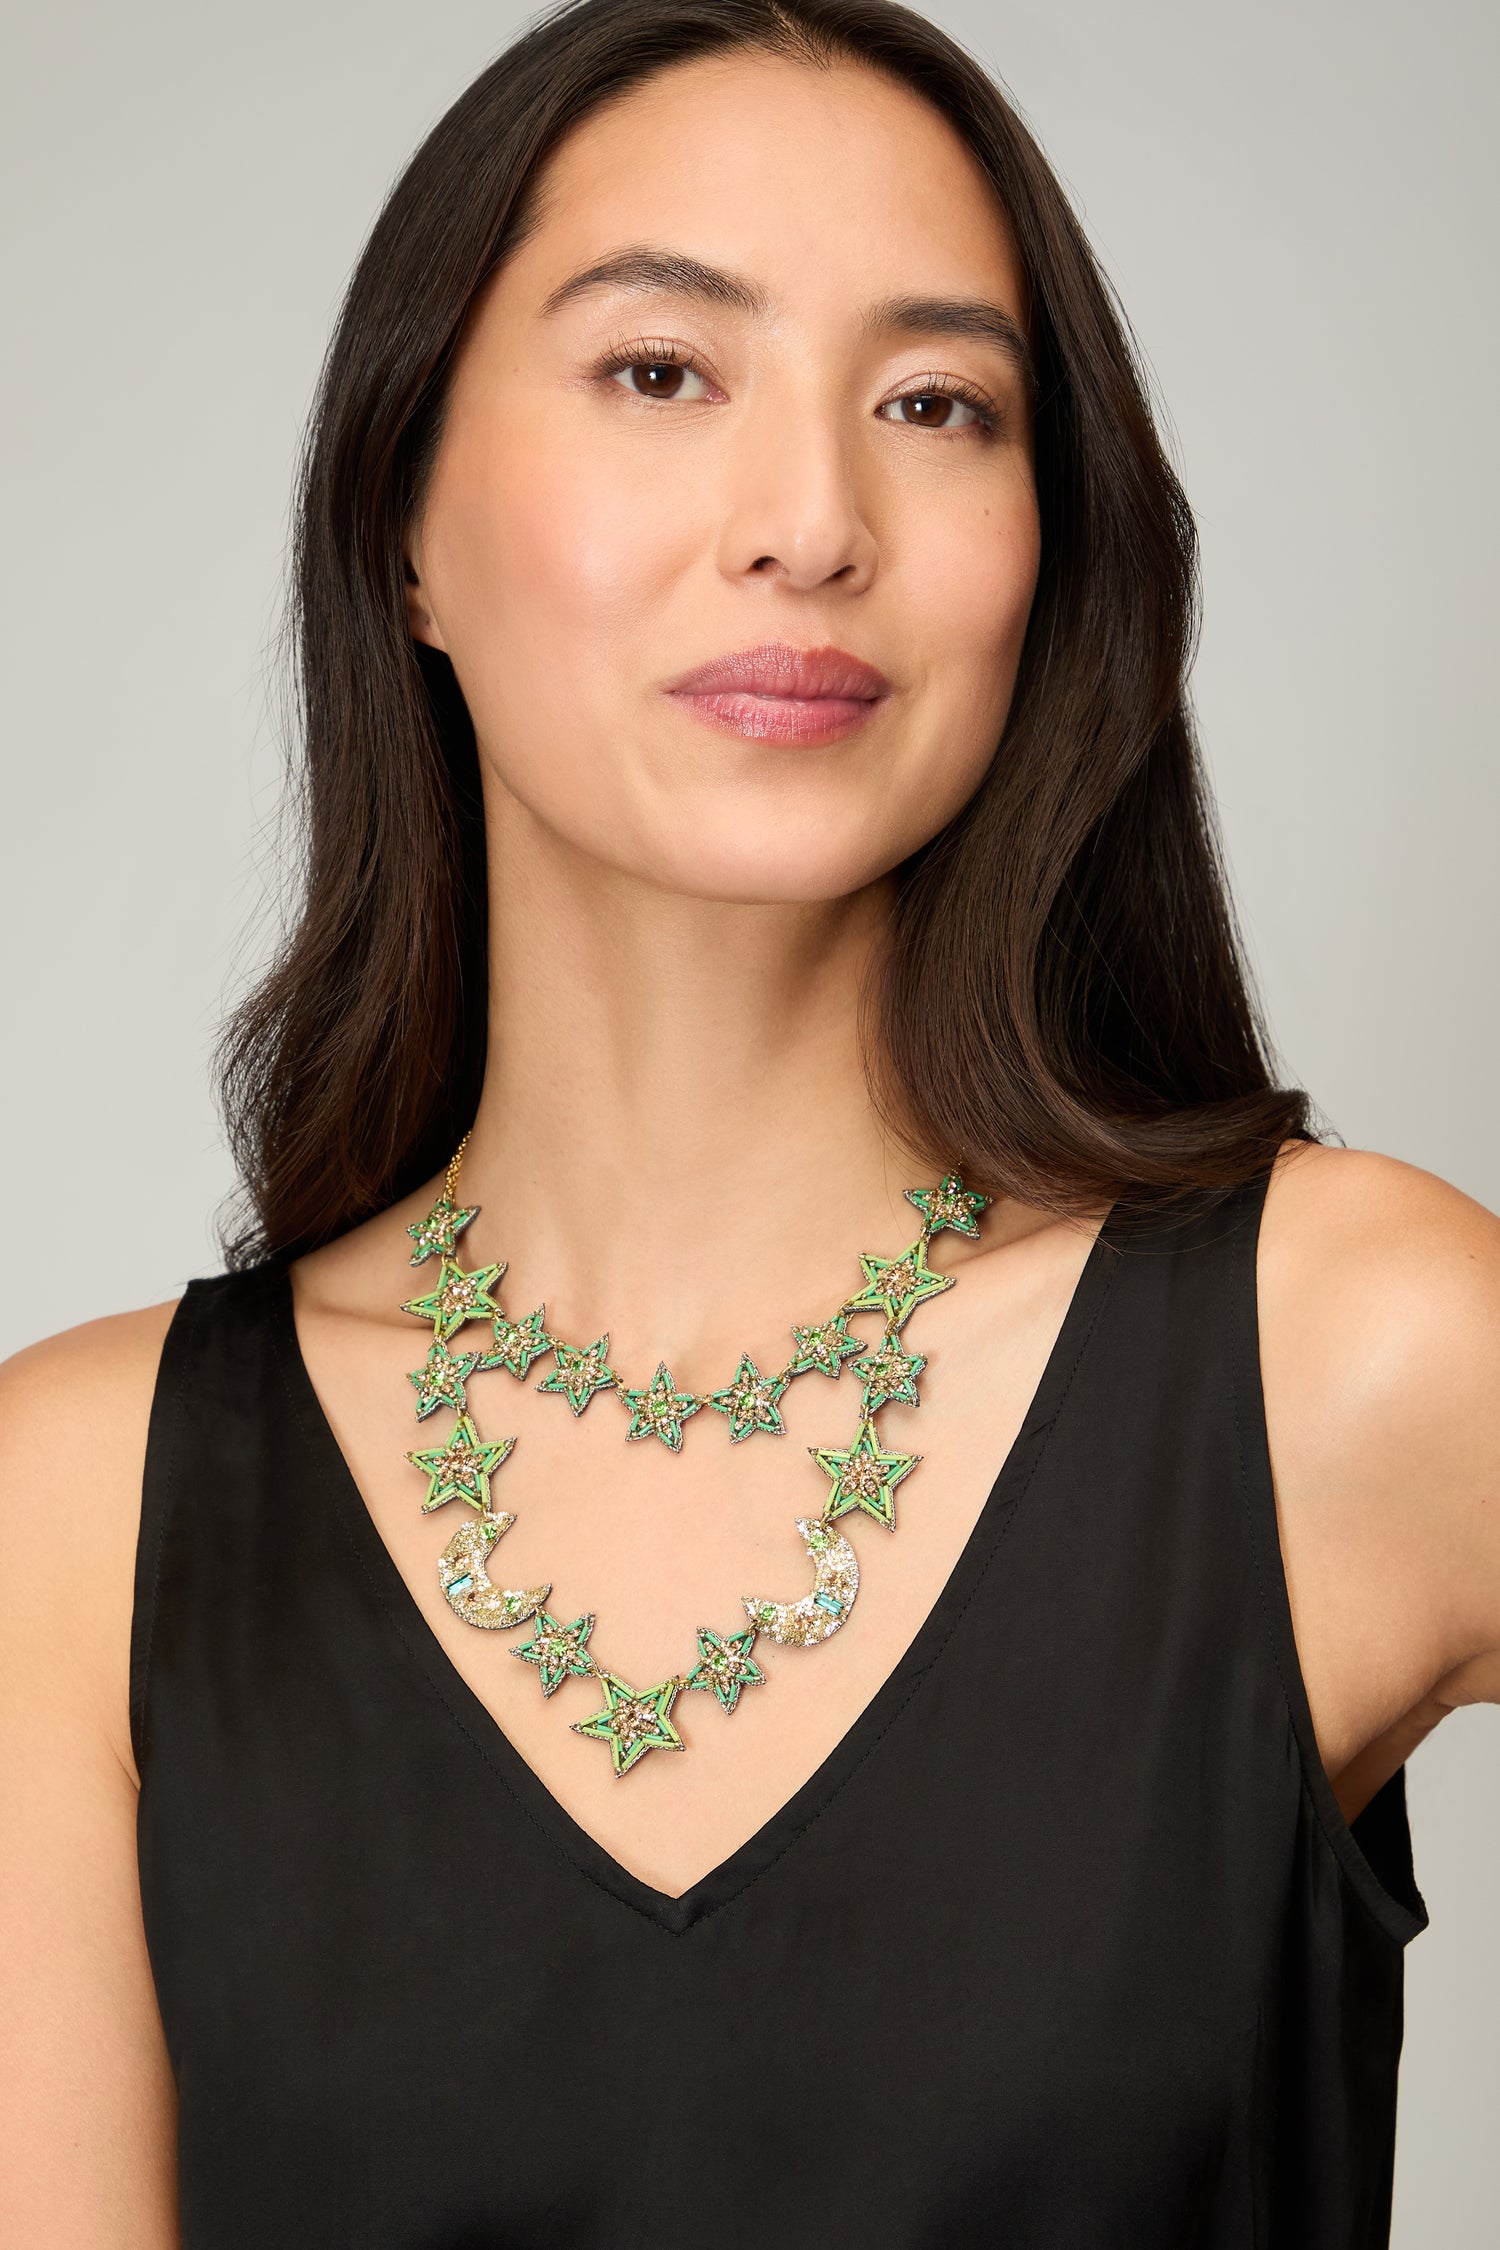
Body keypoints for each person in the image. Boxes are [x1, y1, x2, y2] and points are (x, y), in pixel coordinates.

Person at [2, 0, 1496, 2242]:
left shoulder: (1350, 1354)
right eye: (660, 372)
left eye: (936, 405)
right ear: (404, 523)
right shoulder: (80, 1517)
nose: (812, 521)